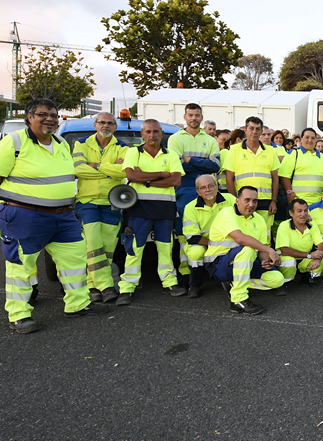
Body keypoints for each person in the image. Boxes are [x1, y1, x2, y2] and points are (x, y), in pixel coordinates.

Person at [0, 99, 109, 333]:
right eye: (43, 114)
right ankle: (19, 315)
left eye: (53, 115)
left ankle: (78, 305)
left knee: (75, 261)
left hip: (64, 215)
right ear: (30, 117)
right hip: (24, 214)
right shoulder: (15, 142)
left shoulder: (60, 143)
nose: (49, 119)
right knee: (20, 265)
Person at [118, 119, 185, 305]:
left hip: (165, 209)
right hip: (139, 208)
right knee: (134, 247)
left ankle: (169, 282)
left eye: (156, 131)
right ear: (142, 134)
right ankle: (127, 287)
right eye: (148, 131)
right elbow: (131, 175)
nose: (152, 135)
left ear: (161, 133)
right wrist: (162, 174)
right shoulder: (133, 152)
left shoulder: (170, 154)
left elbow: (176, 180)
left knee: (165, 247)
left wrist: (146, 180)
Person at [73, 112, 127, 303]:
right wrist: (109, 169)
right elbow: (78, 168)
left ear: (115, 127)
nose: (106, 125)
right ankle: (106, 285)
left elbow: (123, 172)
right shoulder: (81, 143)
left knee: (108, 246)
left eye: (110, 123)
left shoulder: (123, 146)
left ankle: (91, 285)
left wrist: (95, 166)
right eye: (102, 122)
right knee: (93, 242)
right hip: (87, 202)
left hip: (113, 202)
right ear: (95, 124)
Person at [205, 186, 283, 314]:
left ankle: (235, 284)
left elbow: (262, 247)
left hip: (245, 262)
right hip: (219, 264)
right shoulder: (227, 213)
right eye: (247, 200)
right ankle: (238, 300)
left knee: (277, 279)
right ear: (237, 201)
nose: (251, 204)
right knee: (247, 249)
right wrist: (270, 250)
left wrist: (264, 260)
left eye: (255, 201)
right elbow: (240, 239)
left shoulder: (259, 219)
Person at [168, 103, 221, 284]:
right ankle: (186, 270)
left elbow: (215, 165)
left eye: (197, 115)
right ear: (185, 117)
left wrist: (189, 159)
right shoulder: (175, 139)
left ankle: (209, 265)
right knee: (185, 232)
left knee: (210, 227)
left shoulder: (211, 140)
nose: (194, 118)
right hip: (185, 188)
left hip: (208, 188)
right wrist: (202, 162)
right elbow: (176, 166)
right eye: (190, 115)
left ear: (201, 117)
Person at [224, 116, 280, 239]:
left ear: (261, 131)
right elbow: (229, 178)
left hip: (265, 199)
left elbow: (275, 178)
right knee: (246, 233)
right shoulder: (234, 150)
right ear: (245, 130)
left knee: (265, 235)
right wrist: (235, 200)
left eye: (257, 129)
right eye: (251, 128)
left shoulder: (270, 151)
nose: (254, 132)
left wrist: (274, 200)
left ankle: (265, 258)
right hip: (244, 200)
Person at [182, 174, 235, 298]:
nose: (208, 189)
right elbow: (192, 237)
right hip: (203, 242)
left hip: (228, 240)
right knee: (195, 253)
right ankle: (195, 284)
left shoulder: (230, 199)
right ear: (198, 191)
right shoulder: (190, 208)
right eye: (203, 187)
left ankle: (230, 281)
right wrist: (215, 245)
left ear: (217, 186)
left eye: (211, 185)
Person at [276, 198, 323, 289]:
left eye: (305, 211)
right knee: (289, 263)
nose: (303, 214)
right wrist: (310, 255)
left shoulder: (311, 224)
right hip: (289, 257)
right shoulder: (284, 225)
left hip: (305, 257)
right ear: (291, 213)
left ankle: (308, 278)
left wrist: (318, 258)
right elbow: (284, 250)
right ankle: (284, 284)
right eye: (299, 211)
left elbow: (321, 244)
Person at [279, 127, 323, 208]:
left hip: (319, 202)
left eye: (313, 138)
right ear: (301, 138)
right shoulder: (294, 154)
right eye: (307, 137)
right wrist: (289, 193)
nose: (310, 140)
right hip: (298, 201)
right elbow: (284, 176)